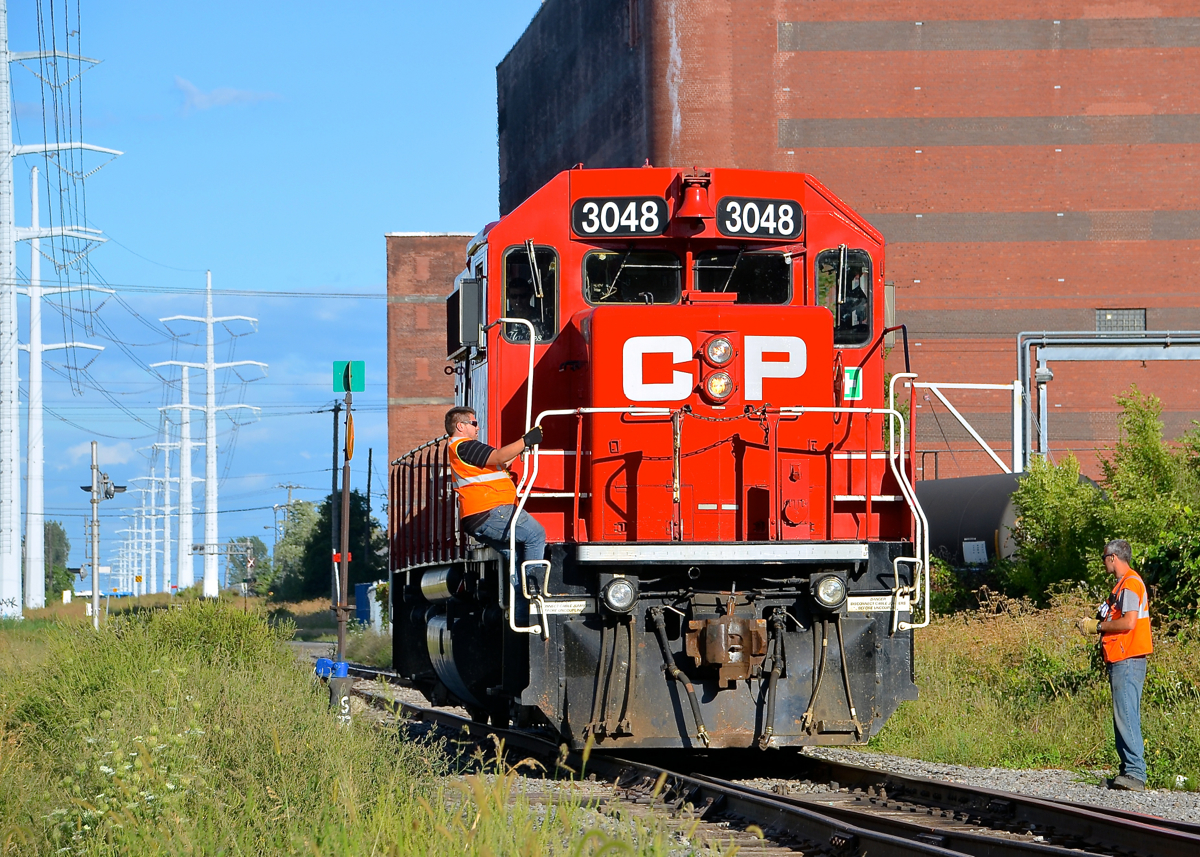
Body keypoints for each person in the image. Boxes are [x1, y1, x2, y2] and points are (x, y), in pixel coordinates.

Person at [1077, 539, 1153, 791]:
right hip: (1122, 658)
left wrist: (1096, 627)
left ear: (1112, 557)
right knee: (1122, 715)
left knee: (1127, 714)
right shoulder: (1122, 585)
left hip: (1128, 658)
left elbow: (1129, 623)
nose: (1103, 563)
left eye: (1103, 558)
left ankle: (1135, 773)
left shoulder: (1130, 584)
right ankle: (1127, 772)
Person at [445, 406, 546, 569]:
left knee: (517, 556)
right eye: (474, 423)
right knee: (535, 534)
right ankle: (534, 587)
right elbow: (499, 456)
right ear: (460, 426)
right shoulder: (465, 446)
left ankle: (520, 594)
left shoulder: (459, 450)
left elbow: (502, 462)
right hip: (490, 510)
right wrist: (525, 440)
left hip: (477, 516)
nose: (477, 427)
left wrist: (524, 445)